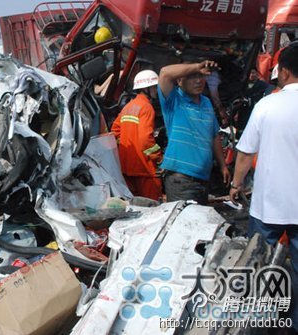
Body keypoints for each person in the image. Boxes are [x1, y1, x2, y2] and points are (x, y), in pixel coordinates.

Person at [230, 45, 298, 332]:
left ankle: (257, 323)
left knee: (258, 264)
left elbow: (245, 153)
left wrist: (235, 185)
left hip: (268, 204)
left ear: (282, 71)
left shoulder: (267, 105)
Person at [158, 60, 231, 205]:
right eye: (192, 77)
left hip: (202, 180)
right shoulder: (174, 101)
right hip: (182, 181)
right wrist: (198, 66)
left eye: (201, 76)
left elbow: (214, 136)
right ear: (179, 81)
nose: (198, 81)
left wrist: (223, 165)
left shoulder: (206, 103)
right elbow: (165, 73)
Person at [111, 70, 163, 200]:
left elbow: (114, 131)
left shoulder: (128, 106)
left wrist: (126, 149)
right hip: (144, 168)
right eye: (155, 87)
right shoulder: (146, 107)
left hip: (126, 167)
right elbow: (145, 140)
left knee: (136, 207)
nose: (157, 91)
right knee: (152, 207)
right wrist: (159, 158)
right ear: (146, 88)